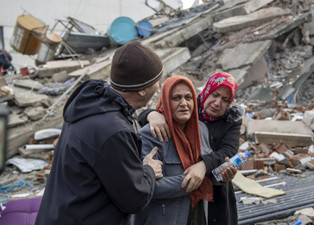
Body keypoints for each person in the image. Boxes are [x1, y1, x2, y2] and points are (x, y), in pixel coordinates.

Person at [35, 41, 164, 225]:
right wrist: (149, 170)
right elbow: (135, 198)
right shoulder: (114, 131)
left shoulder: (89, 105)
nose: (158, 86)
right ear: (143, 90)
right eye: (156, 81)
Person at [138, 72, 244, 225]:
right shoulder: (155, 132)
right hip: (167, 214)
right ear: (205, 93)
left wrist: (212, 172)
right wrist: (151, 114)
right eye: (215, 95)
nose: (217, 103)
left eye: (225, 100)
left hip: (206, 204)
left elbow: (228, 152)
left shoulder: (204, 128)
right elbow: (143, 185)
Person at [131, 75, 214, 225]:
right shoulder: (151, 134)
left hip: (197, 213)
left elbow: (208, 170)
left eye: (188, 97)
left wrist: (220, 174)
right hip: (165, 217)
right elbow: (146, 186)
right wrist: (191, 180)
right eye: (176, 98)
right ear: (166, 102)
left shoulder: (201, 130)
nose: (184, 103)